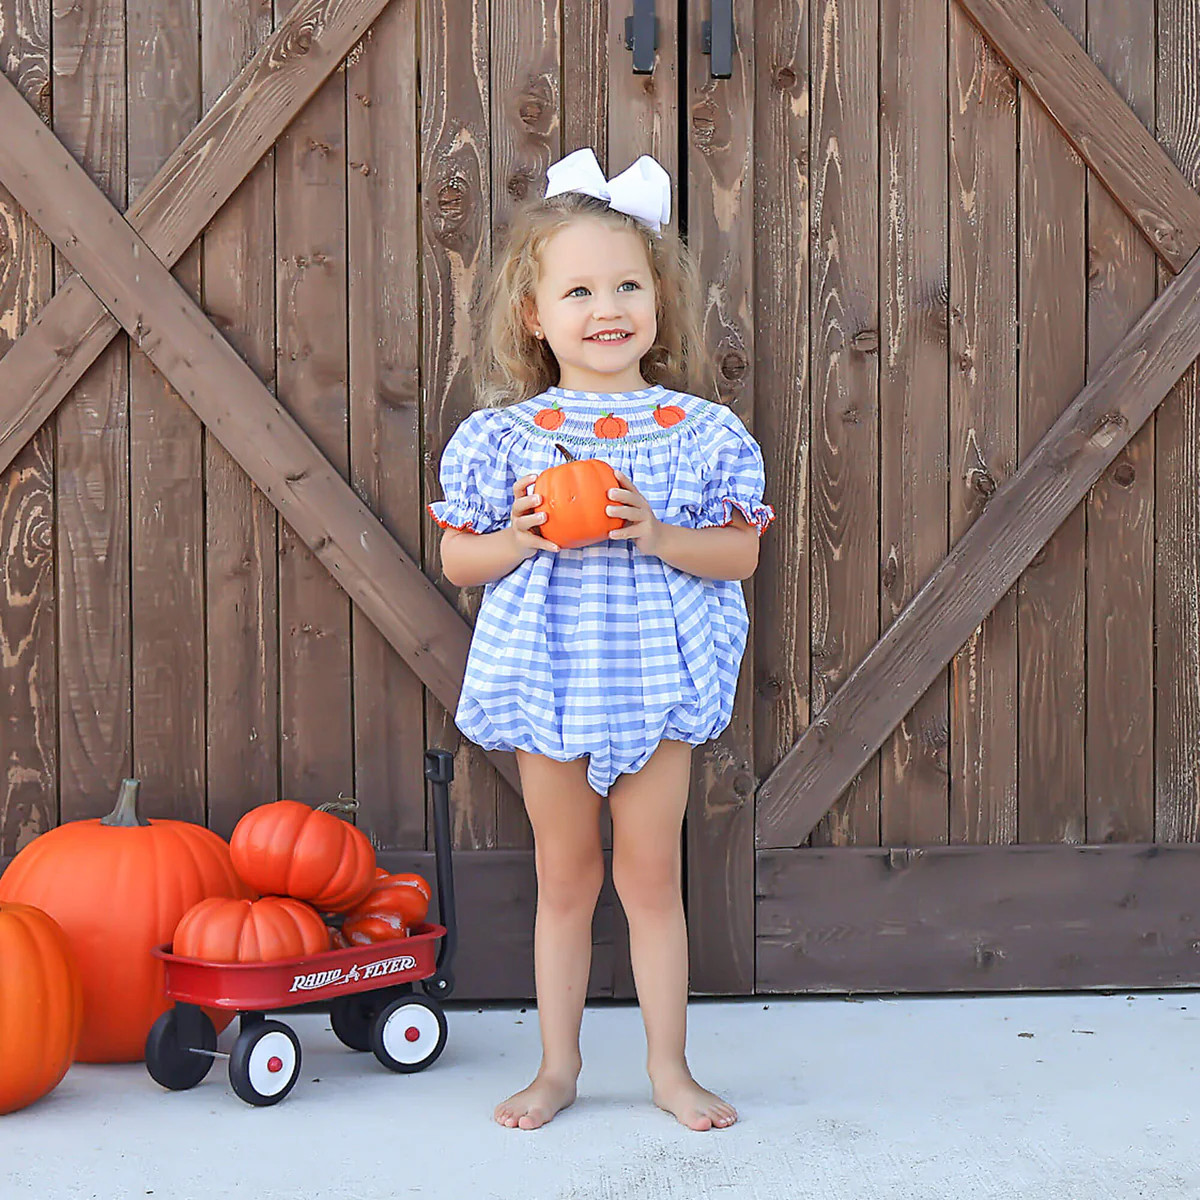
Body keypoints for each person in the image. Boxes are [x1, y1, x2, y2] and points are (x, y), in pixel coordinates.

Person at [428, 148, 774, 1132]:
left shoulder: (701, 432)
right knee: (567, 880)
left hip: (656, 687)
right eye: (578, 289)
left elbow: (740, 557)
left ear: (658, 303)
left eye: (627, 284)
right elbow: (461, 560)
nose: (606, 307)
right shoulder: (511, 436)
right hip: (553, 688)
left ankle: (670, 1069)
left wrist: (656, 533)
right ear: (535, 315)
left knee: (652, 879)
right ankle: (558, 1069)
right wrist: (521, 535)